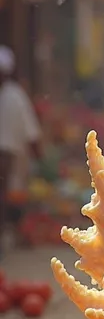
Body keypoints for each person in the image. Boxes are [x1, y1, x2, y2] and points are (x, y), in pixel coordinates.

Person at [0, 46, 42, 255]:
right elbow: (32, 134)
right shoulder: (15, 96)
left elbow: (31, 134)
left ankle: (12, 232)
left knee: (10, 198)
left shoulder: (14, 97)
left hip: (11, 159)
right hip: (10, 159)